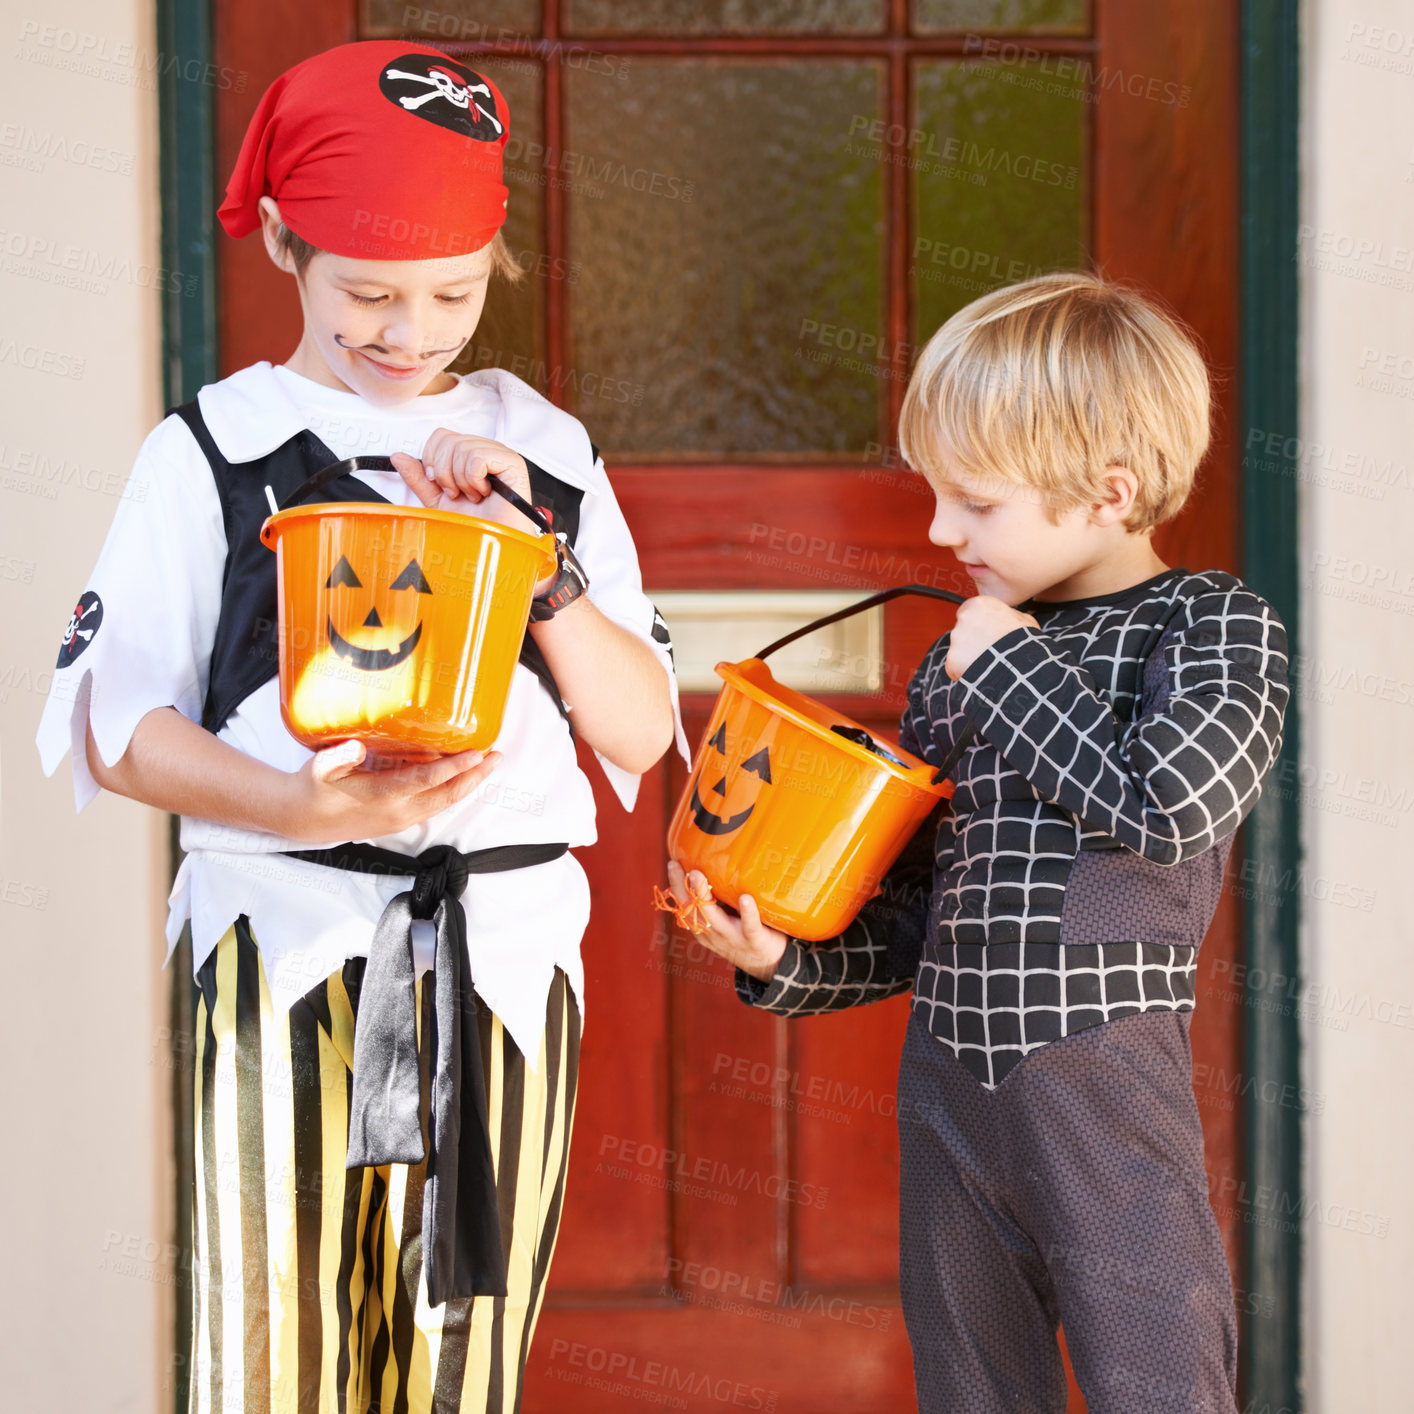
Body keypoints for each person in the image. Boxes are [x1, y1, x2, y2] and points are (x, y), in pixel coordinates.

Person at [37, 40, 685, 1414]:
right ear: (283, 240)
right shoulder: (211, 448)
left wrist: (534, 555)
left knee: (466, 1359)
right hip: (285, 941)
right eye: (368, 294)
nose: (410, 330)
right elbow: (112, 721)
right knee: (277, 1360)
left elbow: (636, 731)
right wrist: (302, 807)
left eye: (451, 292)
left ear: (493, 257)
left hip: (502, 963)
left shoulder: (547, 453)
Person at [667, 273, 1289, 1414]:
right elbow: (927, 909)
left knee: (1155, 1368)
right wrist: (787, 961)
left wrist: (1003, 665)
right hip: (948, 1081)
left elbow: (1169, 806)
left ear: (1108, 491)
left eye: (976, 503)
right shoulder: (957, 663)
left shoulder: (1210, 624)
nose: (940, 531)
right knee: (968, 1378)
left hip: (1100, 1077)